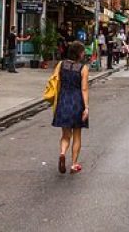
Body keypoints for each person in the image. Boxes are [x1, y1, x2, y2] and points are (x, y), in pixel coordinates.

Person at [53, 41, 90, 174]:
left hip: (63, 101)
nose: (84, 53)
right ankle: (74, 164)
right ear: (79, 53)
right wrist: (86, 107)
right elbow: (84, 88)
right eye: (83, 51)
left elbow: (56, 81)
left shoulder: (61, 65)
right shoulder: (83, 68)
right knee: (77, 135)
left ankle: (62, 153)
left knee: (65, 134)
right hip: (77, 102)